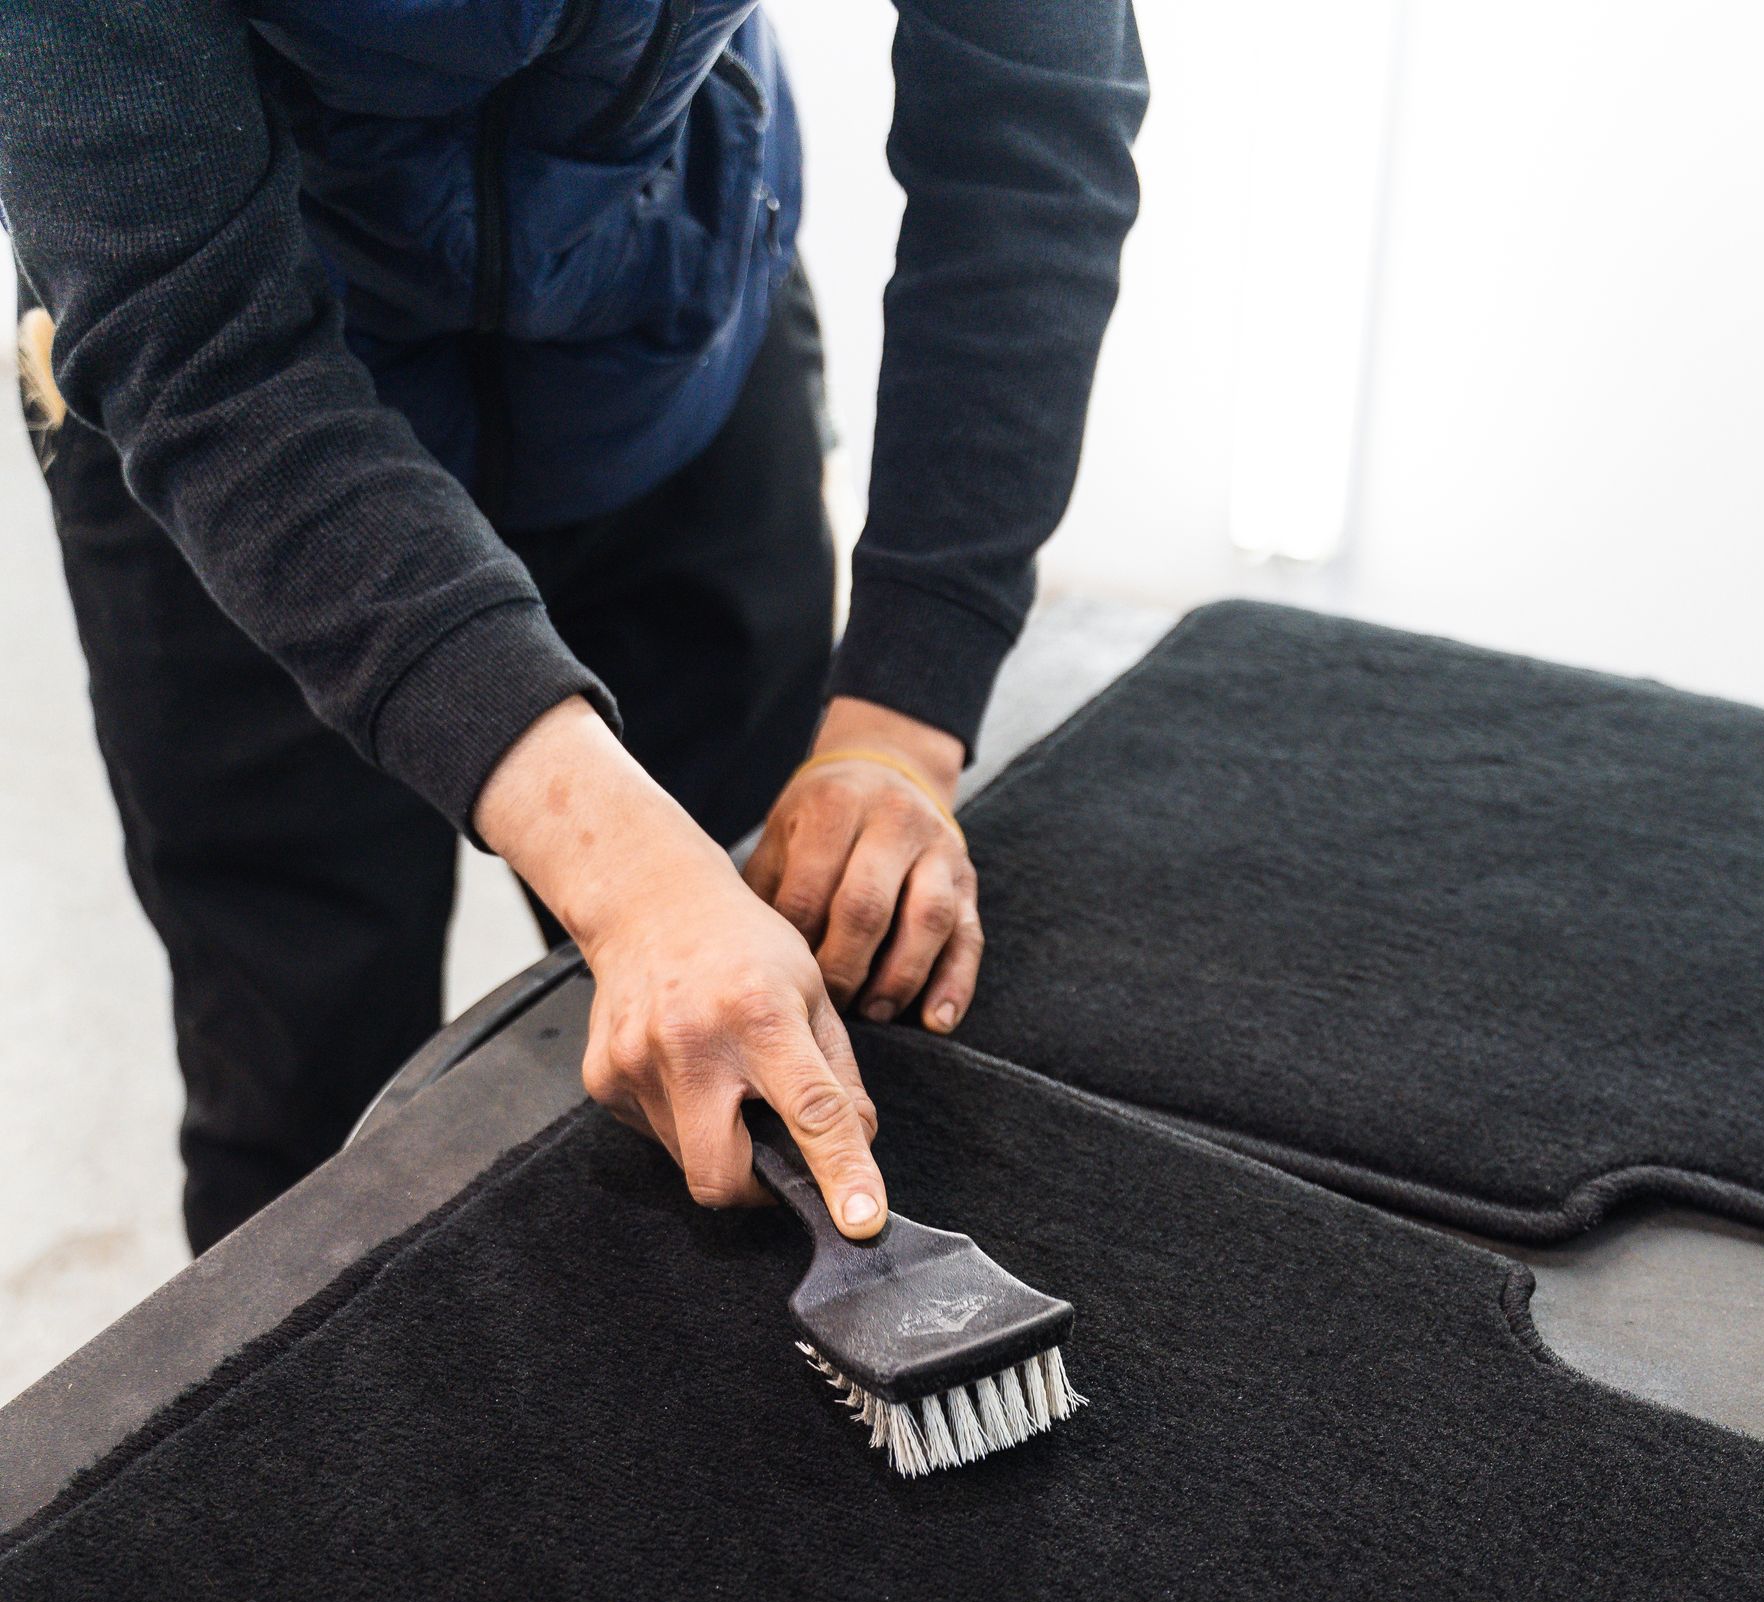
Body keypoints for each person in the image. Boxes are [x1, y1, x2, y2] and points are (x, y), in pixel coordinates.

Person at [0, 2, 1145, 1253]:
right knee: (302, 1112)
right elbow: (202, 342)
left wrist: (901, 718)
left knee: (774, 1060)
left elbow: (1030, 125)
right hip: (242, 438)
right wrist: (629, 869)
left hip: (671, 345)